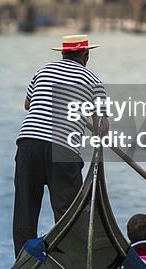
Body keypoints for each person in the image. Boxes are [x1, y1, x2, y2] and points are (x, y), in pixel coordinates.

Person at [12, 34, 107, 257]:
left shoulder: (43, 71)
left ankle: (23, 261)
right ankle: (69, 262)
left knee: (25, 212)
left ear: (63, 54)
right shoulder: (93, 81)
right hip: (63, 149)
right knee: (68, 216)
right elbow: (102, 126)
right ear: (86, 56)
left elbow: (28, 105)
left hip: (29, 144)